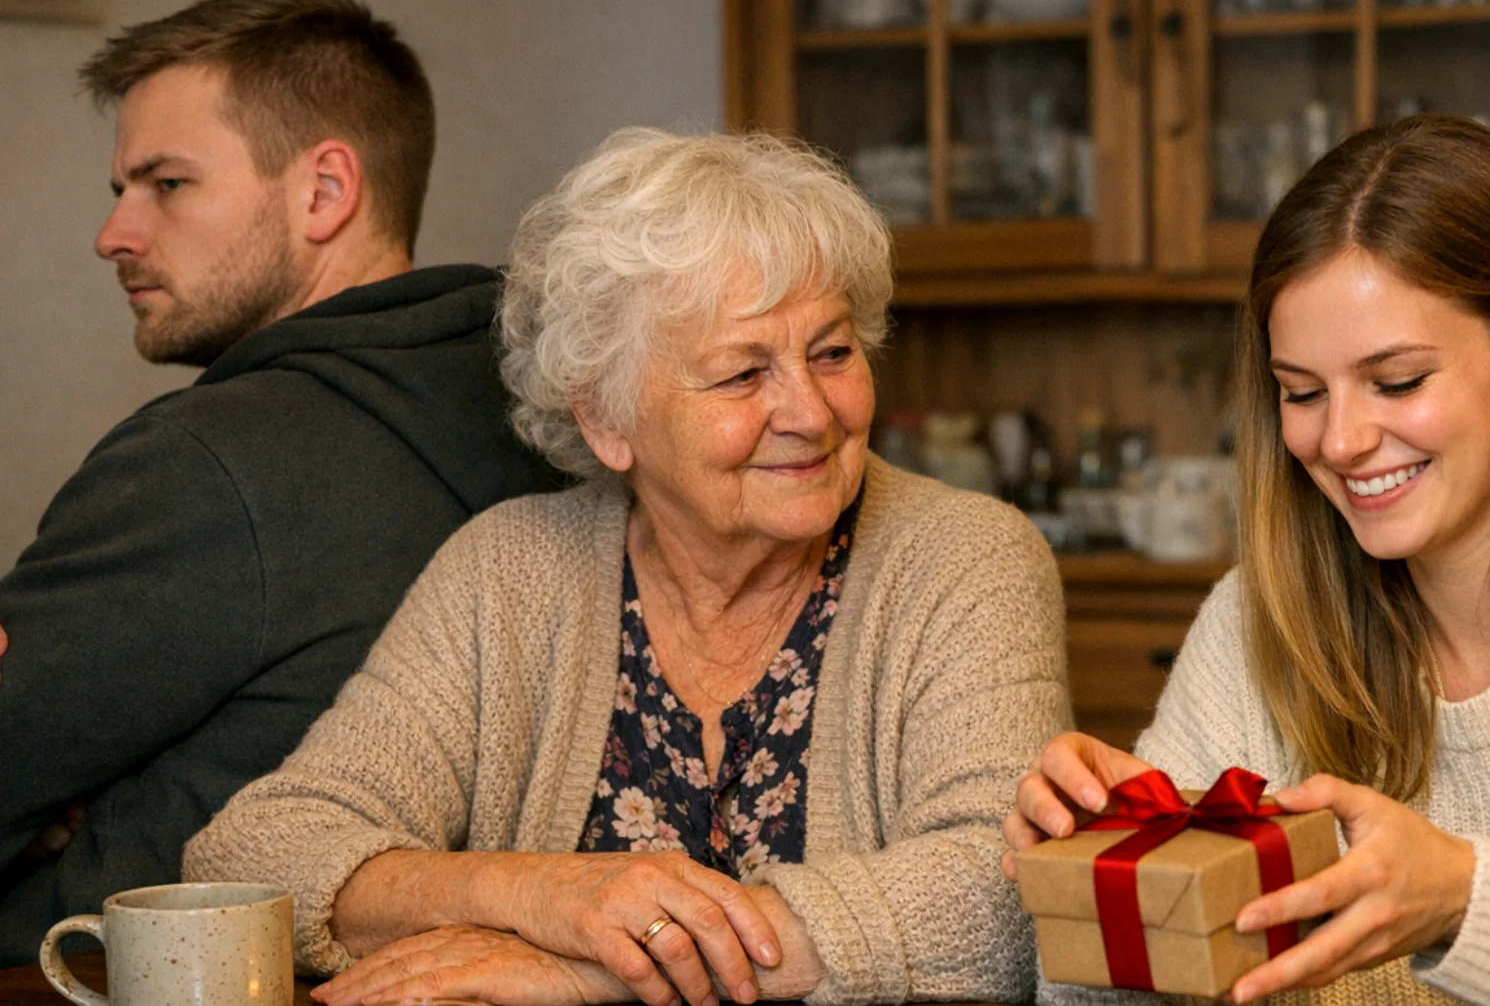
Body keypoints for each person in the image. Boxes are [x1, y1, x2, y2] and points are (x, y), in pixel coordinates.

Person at [185, 128, 1071, 1006]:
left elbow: (1008, 895)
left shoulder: (965, 559)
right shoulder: (509, 572)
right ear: (607, 420)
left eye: (832, 352)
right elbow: (255, 854)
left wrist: (599, 966)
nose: (810, 409)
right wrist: (544, 894)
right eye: (741, 374)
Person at [1005, 114, 1490, 1005]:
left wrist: (1463, 901)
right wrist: (1105, 879)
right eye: (1301, 393)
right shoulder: (1254, 619)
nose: (1340, 440)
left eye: (1398, 381)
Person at [0, 0, 561, 964]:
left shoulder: (206, 462)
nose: (114, 234)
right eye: (119, 189)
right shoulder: (550, 406)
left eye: (166, 184)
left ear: (324, 189)